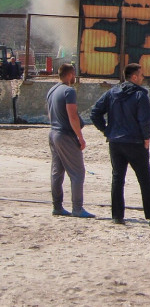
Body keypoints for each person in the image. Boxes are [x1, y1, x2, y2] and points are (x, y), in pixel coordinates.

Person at [90, 63, 150, 227]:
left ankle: (117, 215)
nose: (143, 77)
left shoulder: (112, 92)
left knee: (117, 178)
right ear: (134, 77)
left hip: (116, 142)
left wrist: (107, 131)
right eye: (141, 75)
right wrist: (147, 137)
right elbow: (145, 119)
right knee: (144, 179)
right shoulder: (140, 95)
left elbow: (95, 112)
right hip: (134, 142)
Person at [45, 63, 94, 218]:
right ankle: (77, 208)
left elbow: (49, 113)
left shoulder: (52, 90)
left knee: (57, 172)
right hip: (65, 135)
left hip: (53, 133)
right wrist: (80, 137)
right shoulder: (69, 91)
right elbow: (72, 116)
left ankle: (57, 206)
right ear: (70, 74)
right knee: (78, 172)